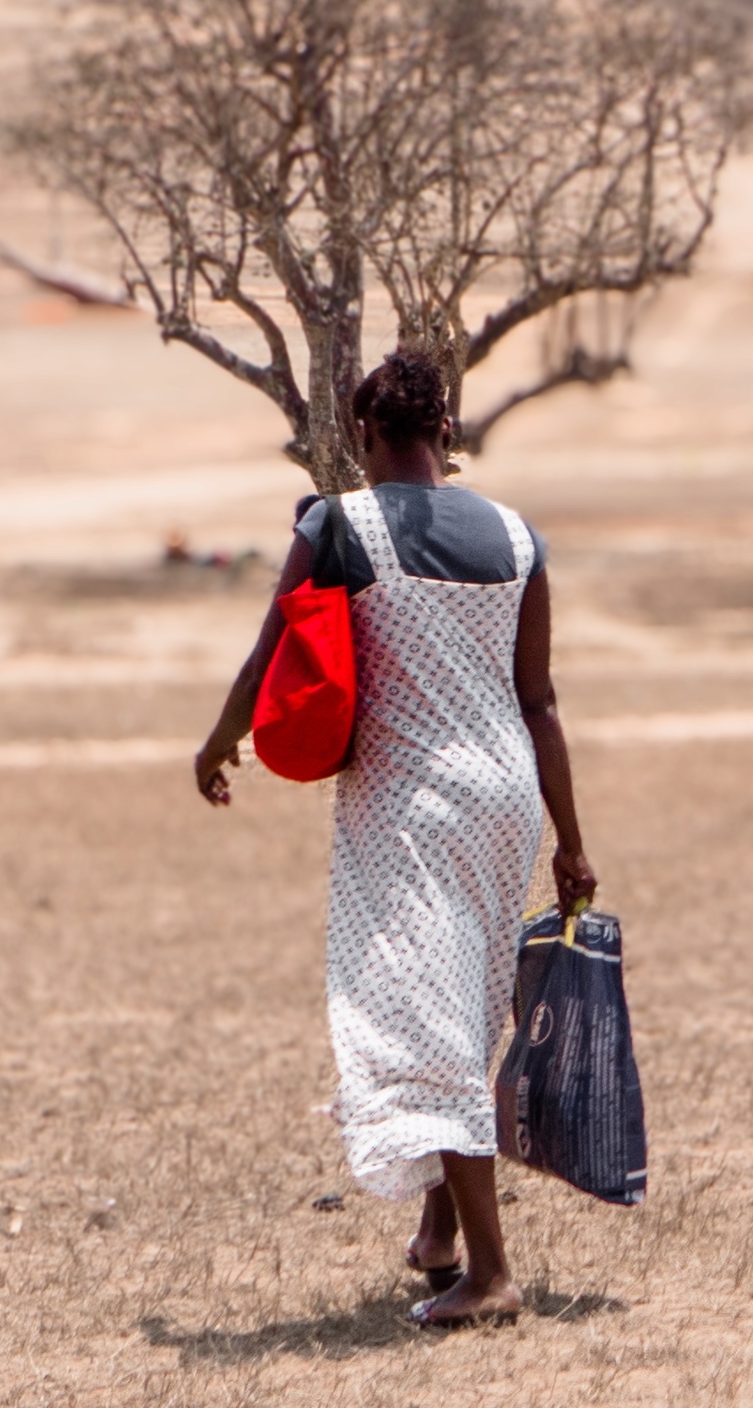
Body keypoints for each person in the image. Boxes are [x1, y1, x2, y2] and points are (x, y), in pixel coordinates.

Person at [192, 349, 598, 1329]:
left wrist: (218, 741)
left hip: (411, 803)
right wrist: (571, 842)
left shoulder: (338, 523)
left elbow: (271, 648)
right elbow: (539, 699)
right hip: (505, 796)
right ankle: (440, 1235)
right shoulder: (516, 535)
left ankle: (493, 1275)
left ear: (368, 436)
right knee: (459, 1006)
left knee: (429, 1021)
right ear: (446, 435)